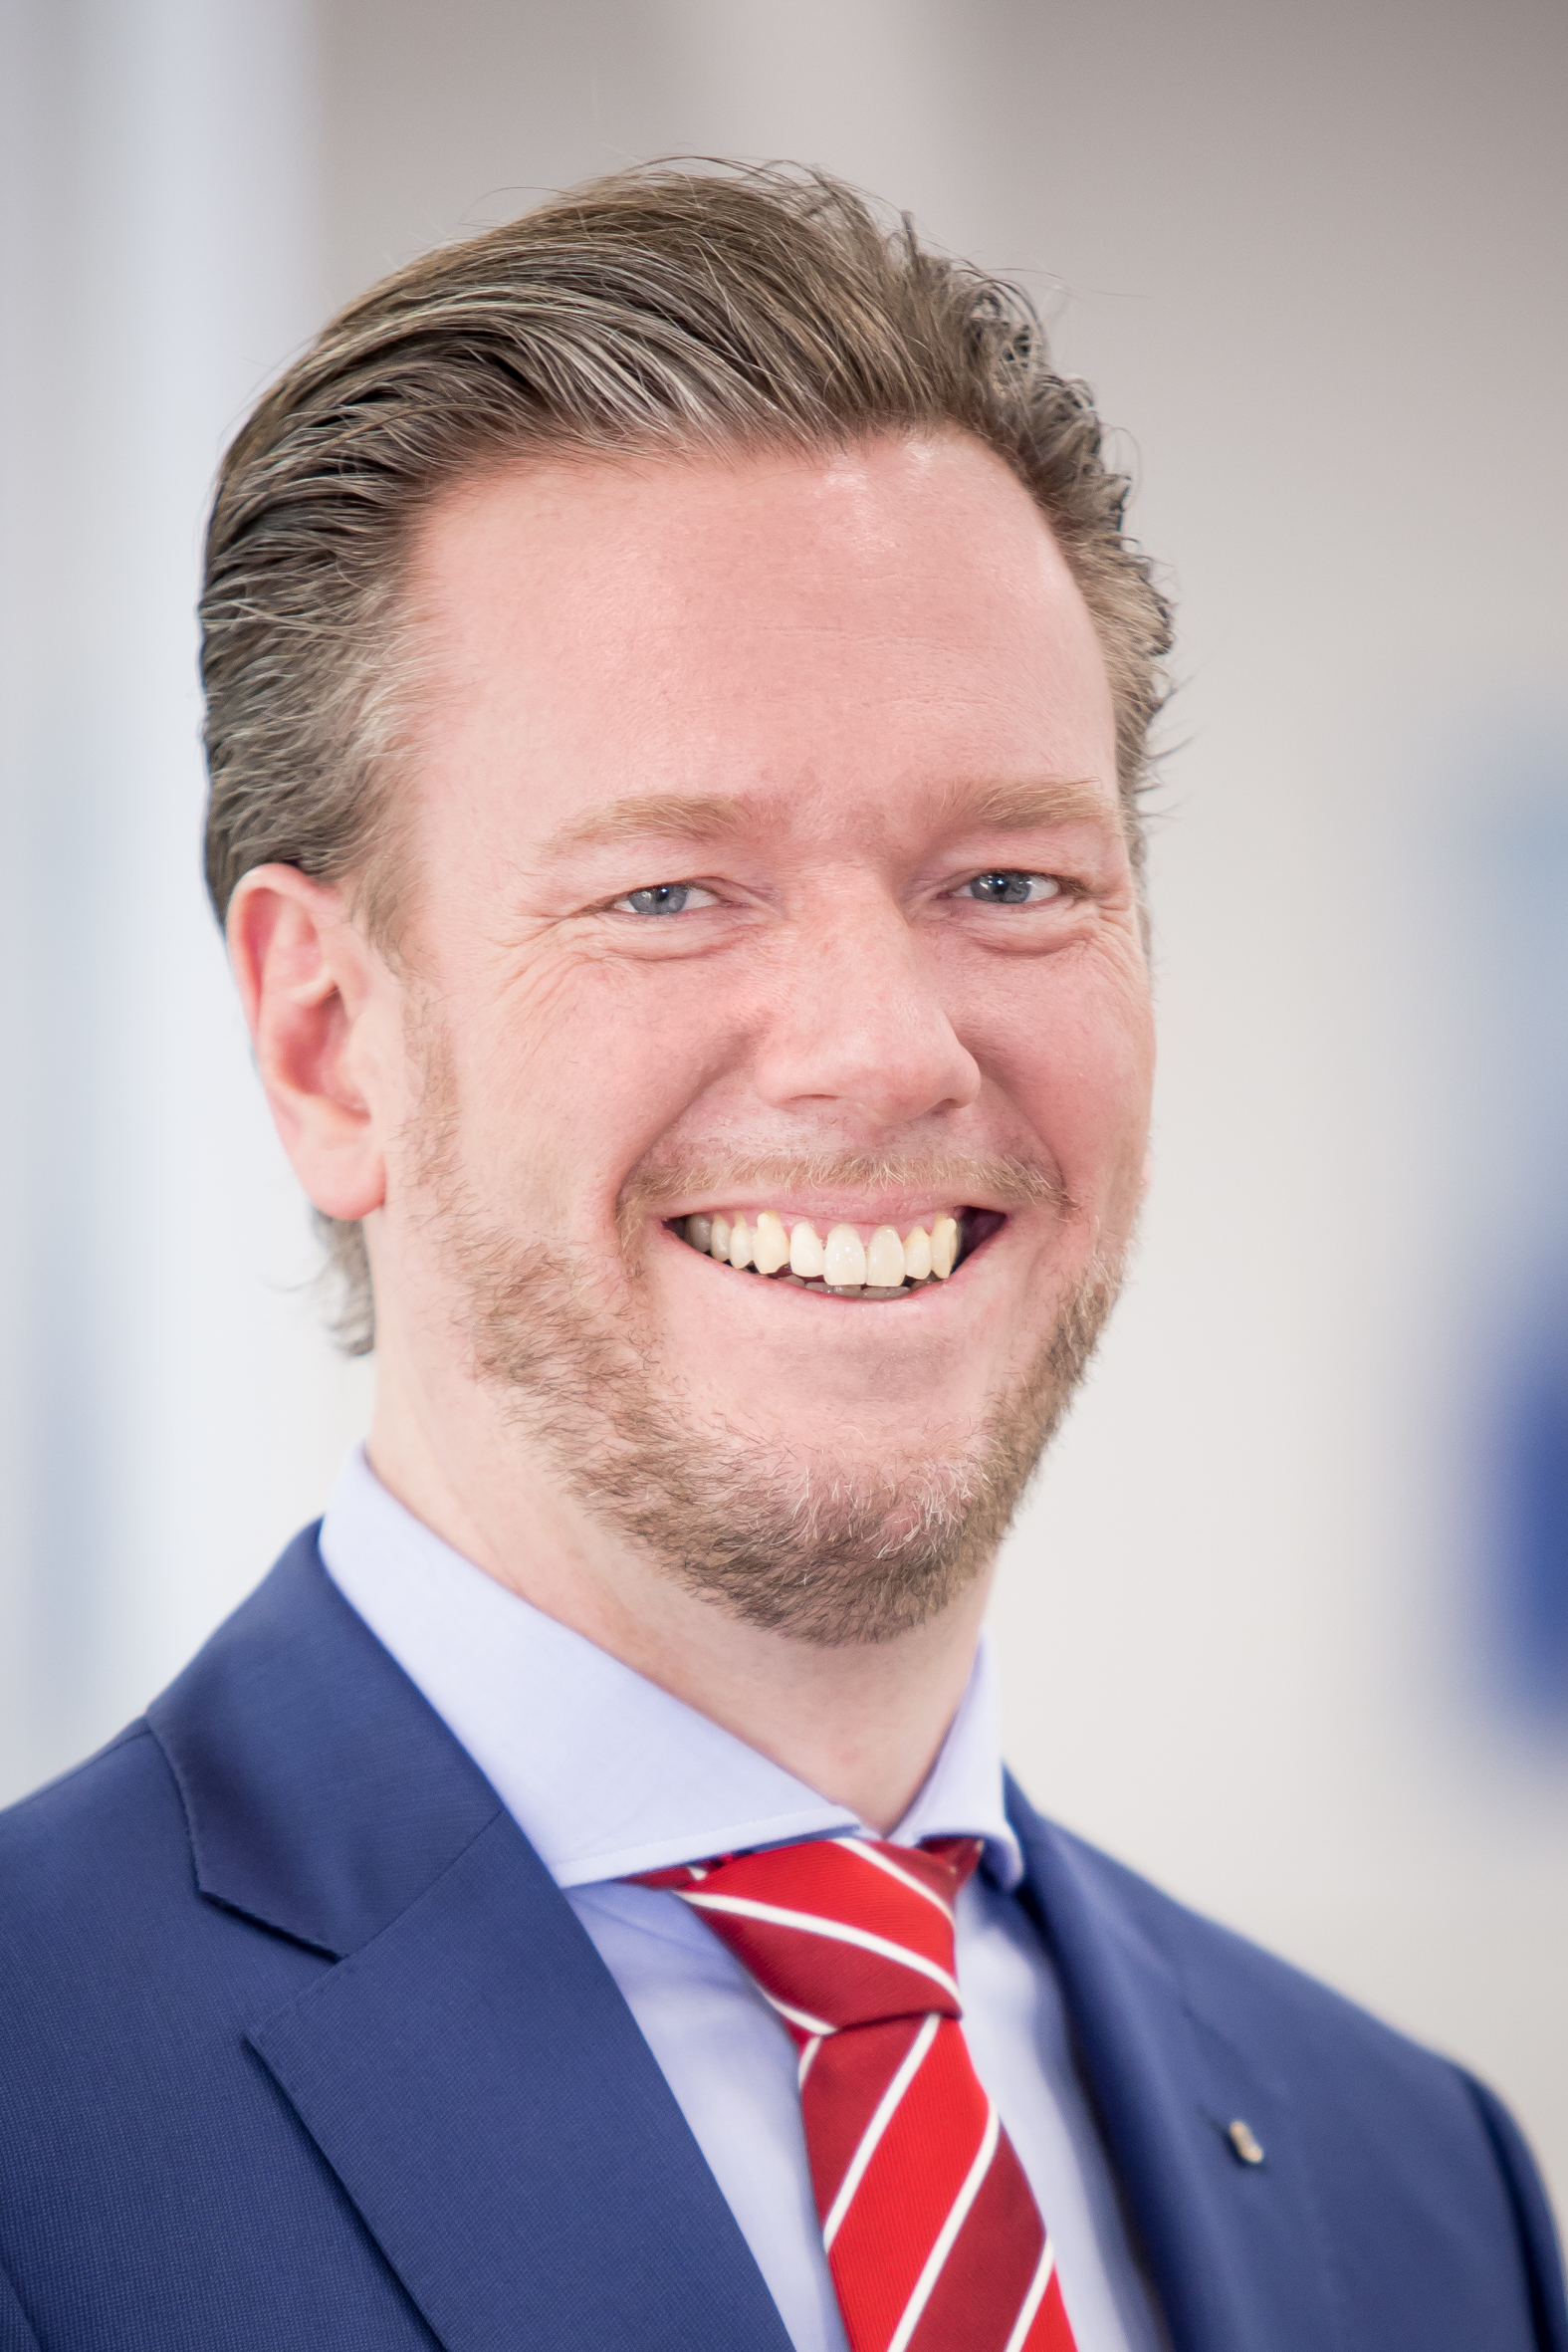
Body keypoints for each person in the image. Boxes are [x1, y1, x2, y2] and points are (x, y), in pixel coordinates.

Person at [0, 165, 1561, 2352]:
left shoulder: (1424, 2188)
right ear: (326, 1040)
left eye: (1009, 879)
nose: (884, 1049)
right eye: (668, 892)